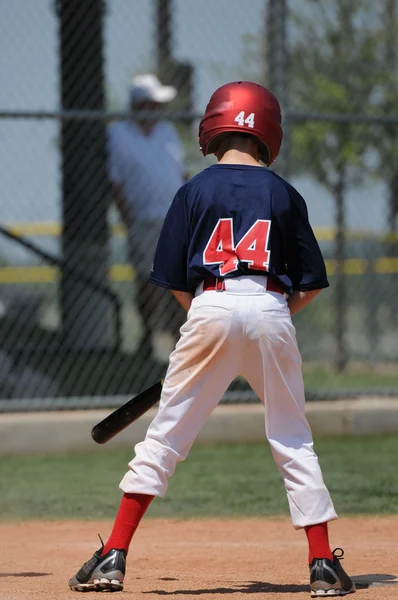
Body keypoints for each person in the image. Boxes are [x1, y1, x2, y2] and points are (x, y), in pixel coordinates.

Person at [69, 81, 355, 597]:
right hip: (271, 307)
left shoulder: (192, 190)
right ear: (269, 130)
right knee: (292, 437)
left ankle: (113, 554)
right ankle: (321, 565)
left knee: (165, 438)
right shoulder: (285, 192)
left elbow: (174, 280)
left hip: (209, 304)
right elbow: (310, 282)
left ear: (213, 127)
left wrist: (206, 323)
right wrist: (272, 315)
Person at [108, 73, 186, 364]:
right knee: (148, 283)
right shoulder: (118, 134)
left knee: (182, 282)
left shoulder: (166, 132)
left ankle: (182, 342)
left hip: (176, 219)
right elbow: (114, 183)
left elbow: (180, 173)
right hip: (144, 221)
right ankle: (147, 339)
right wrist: (129, 220)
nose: (158, 111)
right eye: (153, 104)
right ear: (140, 105)